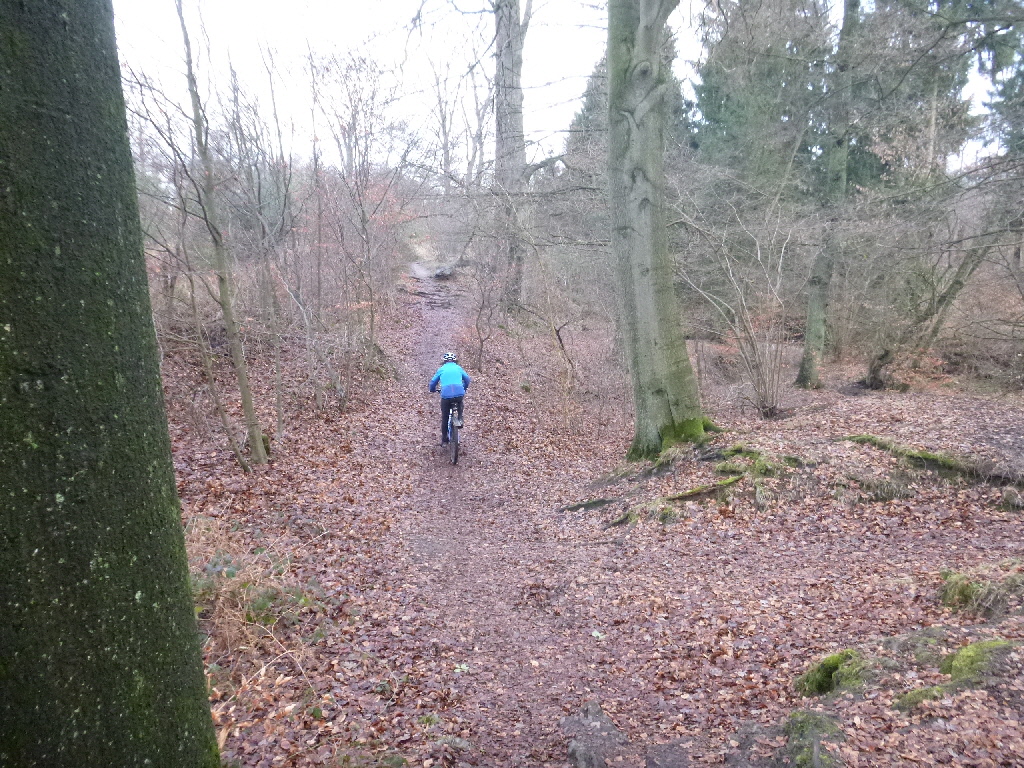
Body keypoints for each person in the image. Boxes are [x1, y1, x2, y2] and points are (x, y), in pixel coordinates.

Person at [429, 352, 471, 446]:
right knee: (460, 401)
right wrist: (463, 388)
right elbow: (467, 380)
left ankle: (444, 440)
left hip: (446, 395)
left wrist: (432, 389)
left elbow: (432, 382)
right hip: (459, 393)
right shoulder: (458, 368)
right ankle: (460, 417)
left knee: (445, 417)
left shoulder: (441, 369)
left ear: (444, 361)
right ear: (455, 361)